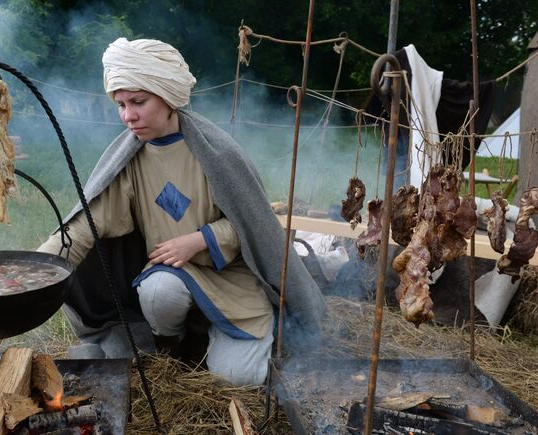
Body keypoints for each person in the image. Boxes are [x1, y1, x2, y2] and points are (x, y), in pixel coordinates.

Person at [38, 38, 326, 386]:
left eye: (139, 102)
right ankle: (172, 344)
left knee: (237, 379)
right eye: (121, 104)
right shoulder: (129, 158)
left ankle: (230, 337)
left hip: (232, 286)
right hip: (169, 278)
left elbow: (252, 224)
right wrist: (38, 268)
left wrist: (200, 239)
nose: (128, 115)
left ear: (168, 96)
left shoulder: (217, 153)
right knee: (159, 290)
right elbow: (88, 222)